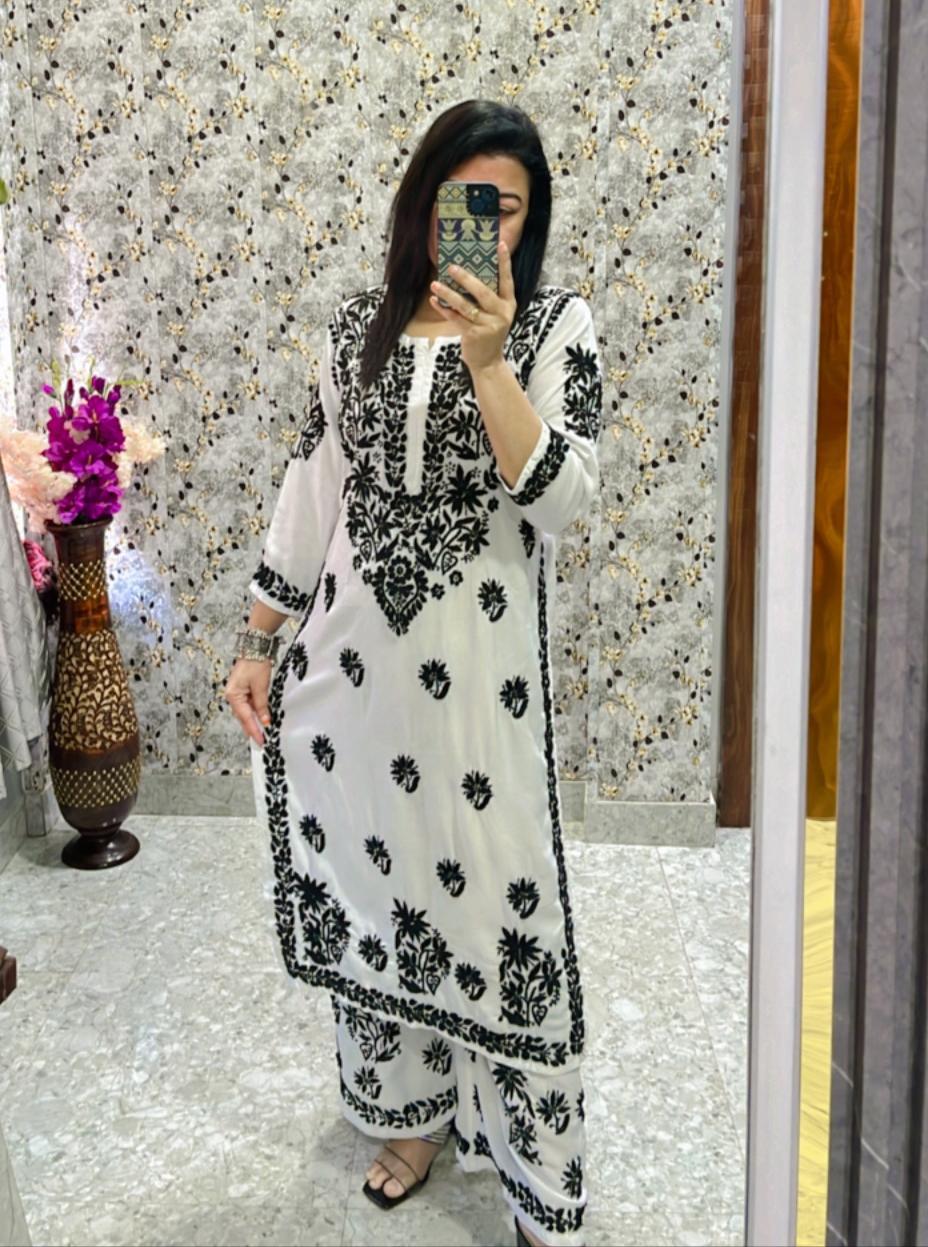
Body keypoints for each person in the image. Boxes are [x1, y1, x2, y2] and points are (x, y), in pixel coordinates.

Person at [224, 98, 602, 1247]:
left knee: (499, 912)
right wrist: (257, 639)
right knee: (379, 895)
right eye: (459, 200)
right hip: (353, 689)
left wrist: (490, 364)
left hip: (480, 707)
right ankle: (410, 1114)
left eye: (505, 207)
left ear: (529, 220)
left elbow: (565, 500)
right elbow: (312, 490)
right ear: (421, 203)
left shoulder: (555, 328)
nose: (480, 222)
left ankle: (536, 1172)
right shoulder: (359, 328)